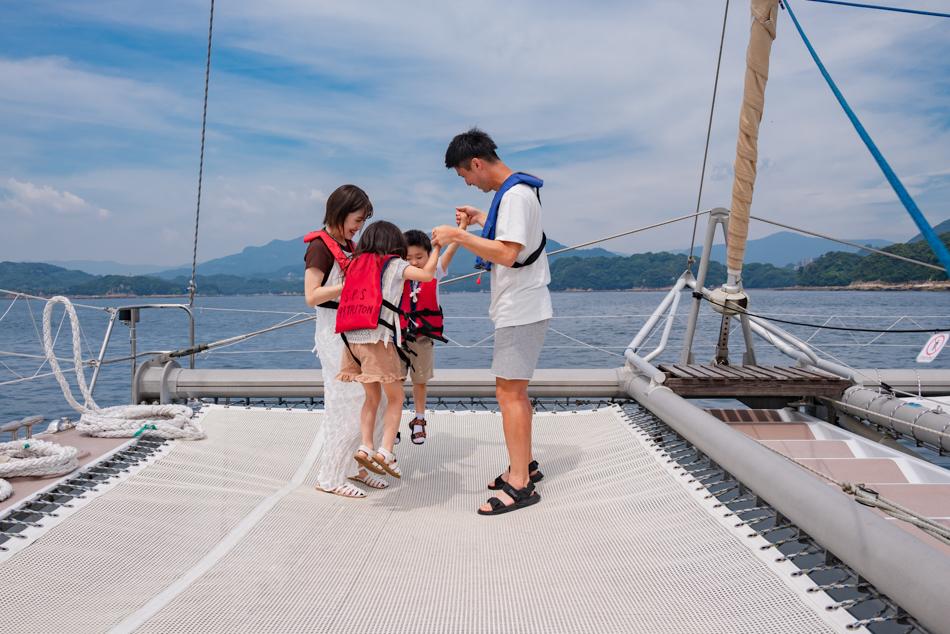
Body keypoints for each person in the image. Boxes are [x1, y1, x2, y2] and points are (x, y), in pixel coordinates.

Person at [433, 127, 551, 516]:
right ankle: (525, 466)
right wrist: (481, 218)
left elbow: (506, 252)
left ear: (478, 163)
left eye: (465, 174)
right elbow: (509, 235)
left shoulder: (514, 197)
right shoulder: (515, 194)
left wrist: (459, 236)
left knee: (509, 394)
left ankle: (520, 483)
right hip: (522, 307)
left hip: (521, 309)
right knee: (513, 392)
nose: (467, 182)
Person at [335, 221, 440, 480]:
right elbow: (427, 275)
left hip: (351, 343)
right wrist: (436, 247)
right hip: (378, 341)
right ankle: (386, 452)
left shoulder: (355, 264)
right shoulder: (393, 265)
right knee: (395, 398)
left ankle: (365, 446)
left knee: (371, 399)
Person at [303, 184, 387, 498]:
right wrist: (351, 285)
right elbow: (311, 296)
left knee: (374, 399)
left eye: (363, 221)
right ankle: (330, 475)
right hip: (334, 334)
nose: (359, 226)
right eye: (357, 219)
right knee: (346, 404)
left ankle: (358, 467)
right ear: (340, 213)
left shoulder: (349, 245)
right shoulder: (320, 248)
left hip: (356, 331)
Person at [398, 222, 467, 445]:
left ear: (430, 256)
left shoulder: (435, 271)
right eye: (408, 257)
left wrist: (462, 227)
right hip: (398, 338)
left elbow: (453, 247)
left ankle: (419, 420)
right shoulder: (398, 275)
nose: (414, 262)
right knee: (394, 382)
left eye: (419, 256)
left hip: (423, 338)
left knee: (420, 381)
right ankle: (391, 423)